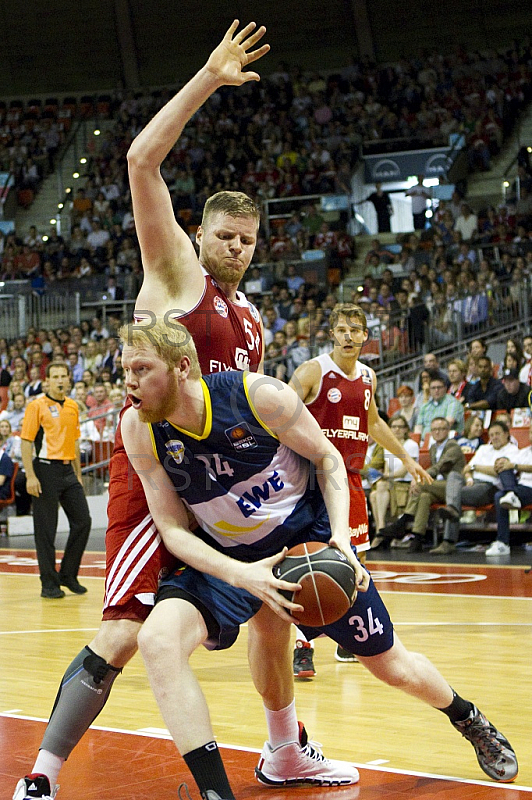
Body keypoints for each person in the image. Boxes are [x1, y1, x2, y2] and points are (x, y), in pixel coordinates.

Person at [13, 22, 339, 800]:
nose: (235, 248)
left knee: (276, 603)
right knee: (125, 632)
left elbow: (254, 416)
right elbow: (139, 160)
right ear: (198, 234)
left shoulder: (252, 319)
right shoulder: (176, 275)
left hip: (217, 483)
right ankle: (42, 775)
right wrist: (208, 77)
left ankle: (284, 751)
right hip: (153, 469)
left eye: (247, 240)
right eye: (224, 235)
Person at [120, 317, 517, 795]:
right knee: (162, 640)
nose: (129, 382)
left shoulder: (259, 396)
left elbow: (329, 460)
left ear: (182, 367)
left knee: (391, 666)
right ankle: (235, 780)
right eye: (125, 370)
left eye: (140, 369)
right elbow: (171, 529)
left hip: (307, 540)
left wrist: (344, 543)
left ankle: (466, 716)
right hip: (233, 557)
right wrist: (242, 575)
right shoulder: (139, 428)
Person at [288, 303, 429, 671]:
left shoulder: (368, 376)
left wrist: (407, 458)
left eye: (356, 329)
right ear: (332, 334)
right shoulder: (312, 371)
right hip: (312, 479)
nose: (349, 335)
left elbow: (374, 422)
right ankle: (303, 645)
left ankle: (344, 639)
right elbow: (278, 411)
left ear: (366, 336)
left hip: (350, 479)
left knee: (356, 560)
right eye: (342, 329)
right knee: (312, 559)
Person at [19, 362, 91, 598]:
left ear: (69, 379)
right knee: (46, 530)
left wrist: (78, 475)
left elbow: (76, 441)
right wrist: (30, 475)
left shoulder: (72, 406)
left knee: (83, 521)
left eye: (63, 376)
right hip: (45, 470)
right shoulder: (36, 406)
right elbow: (27, 442)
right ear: (47, 381)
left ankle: (68, 575)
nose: (60, 380)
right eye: (55, 377)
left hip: (68, 471)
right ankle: (48, 584)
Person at [378, 418, 466, 555]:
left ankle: (404, 521)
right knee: (424, 497)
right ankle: (418, 538)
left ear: (448, 431)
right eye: (434, 429)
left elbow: (438, 467)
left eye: (441, 429)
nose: (437, 432)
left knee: (420, 485)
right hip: (438, 487)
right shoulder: (433, 448)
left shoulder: (453, 446)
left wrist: (419, 479)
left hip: (453, 488)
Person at [369, 415, 420, 549]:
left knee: (377, 492)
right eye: (394, 427)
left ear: (406, 429)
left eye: (400, 426)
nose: (397, 429)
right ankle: (381, 529)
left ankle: (380, 533)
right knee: (374, 493)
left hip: (406, 482)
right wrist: (383, 476)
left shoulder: (411, 445)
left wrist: (384, 476)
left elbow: (404, 471)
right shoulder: (387, 446)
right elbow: (387, 469)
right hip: (392, 483)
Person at [488, 420, 532, 555]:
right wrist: (501, 464)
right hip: (522, 488)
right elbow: (510, 464)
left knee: (509, 467)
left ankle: (511, 493)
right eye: (531, 432)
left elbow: (518, 466)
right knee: (499, 495)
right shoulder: (524, 452)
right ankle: (503, 543)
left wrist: (514, 466)